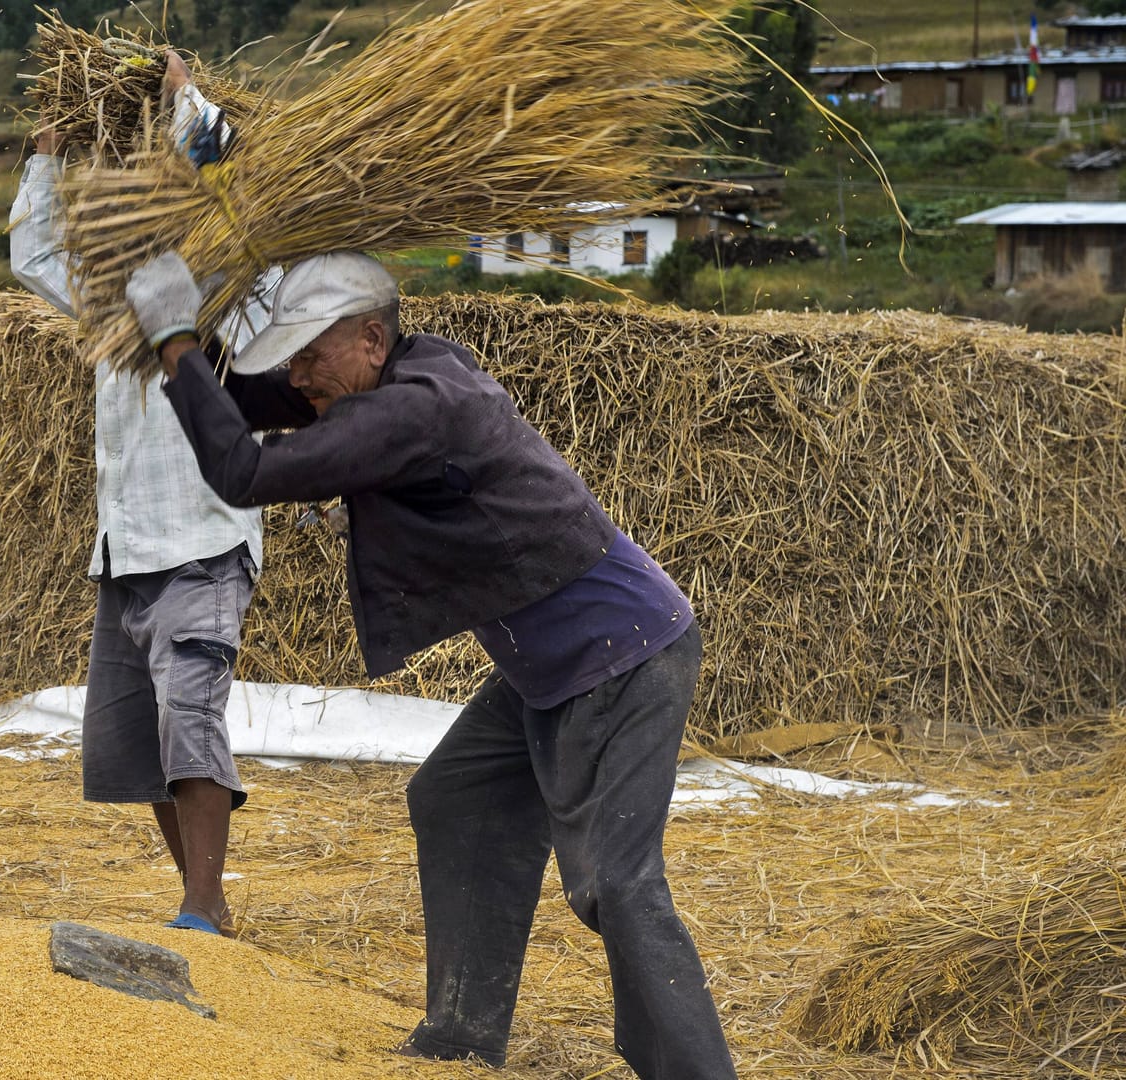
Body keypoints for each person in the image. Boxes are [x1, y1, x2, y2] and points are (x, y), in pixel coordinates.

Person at [124, 249, 735, 1077]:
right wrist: (182, 343)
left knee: (617, 885)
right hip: (546, 665)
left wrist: (175, 340)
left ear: (373, 339)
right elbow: (247, 400)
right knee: (458, 796)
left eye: (314, 354)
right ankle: (462, 1034)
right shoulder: (391, 375)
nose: (300, 376)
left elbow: (244, 469)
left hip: (619, 652)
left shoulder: (414, 410)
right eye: (293, 355)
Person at [8, 53, 295, 937]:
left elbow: (227, 167)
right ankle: (207, 901)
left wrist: (183, 105)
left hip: (202, 534)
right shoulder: (107, 295)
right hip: (126, 545)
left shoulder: (232, 285)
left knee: (190, 709)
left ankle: (203, 903)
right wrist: (50, 157)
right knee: (134, 740)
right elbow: (33, 252)